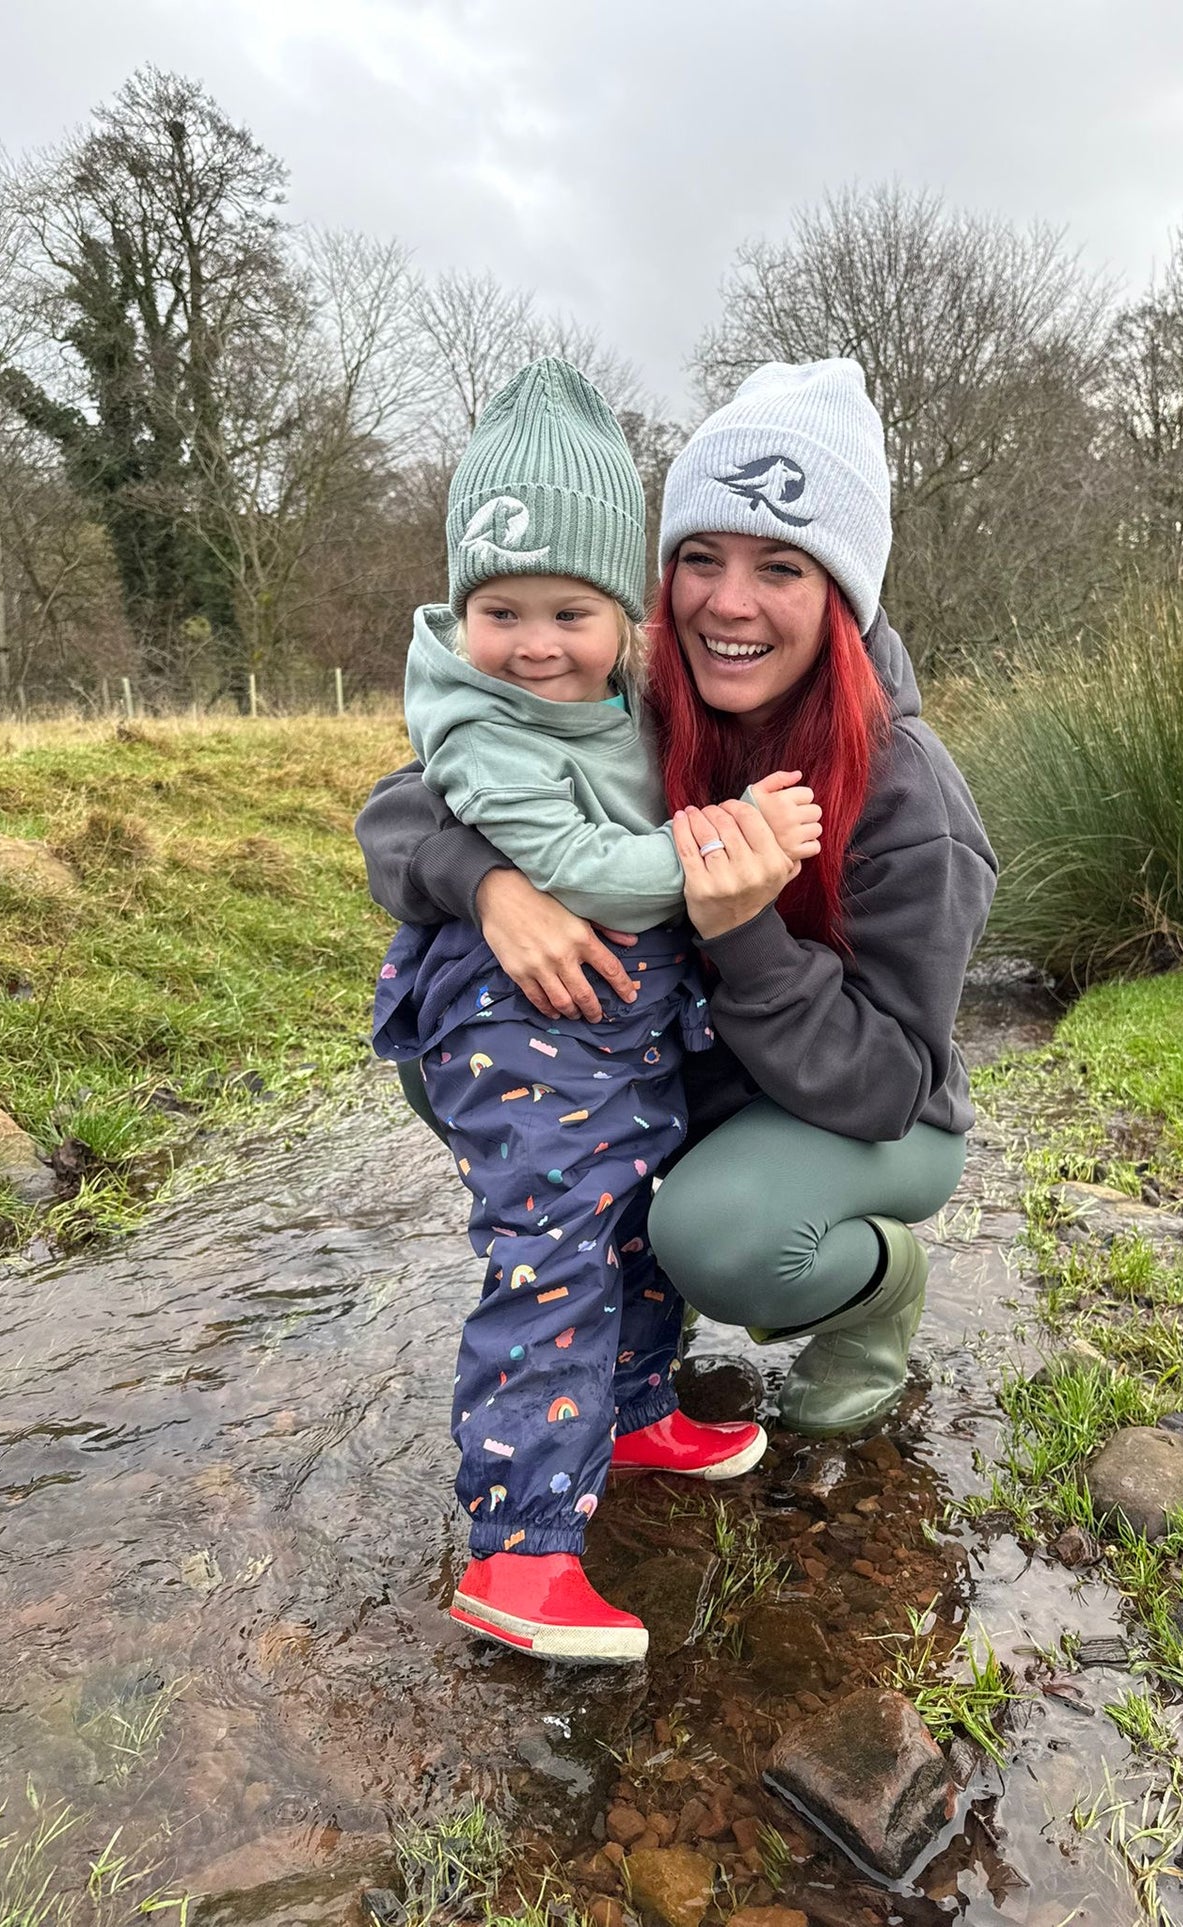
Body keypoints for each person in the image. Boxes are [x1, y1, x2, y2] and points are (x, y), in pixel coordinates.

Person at [357, 355, 996, 1593]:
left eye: (780, 567)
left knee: (711, 1232)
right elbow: (401, 804)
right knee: (473, 1060)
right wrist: (496, 889)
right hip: (703, 1053)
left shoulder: (913, 799)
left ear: (843, 595)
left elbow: (886, 1077)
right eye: (701, 557)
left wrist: (744, 926)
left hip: (876, 1107)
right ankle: (636, 1392)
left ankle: (872, 1290)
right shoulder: (638, 686)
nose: (729, 602)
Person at [371, 358, 824, 1665]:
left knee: (635, 1228)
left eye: (570, 607)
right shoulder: (486, 728)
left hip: (612, 1035)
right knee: (553, 1256)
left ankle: (628, 1416)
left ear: (624, 617)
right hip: (514, 1033)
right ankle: (520, 1549)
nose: (534, 641)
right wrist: (728, 843)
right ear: (461, 616)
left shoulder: (611, 707)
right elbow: (584, 868)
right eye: (500, 608)